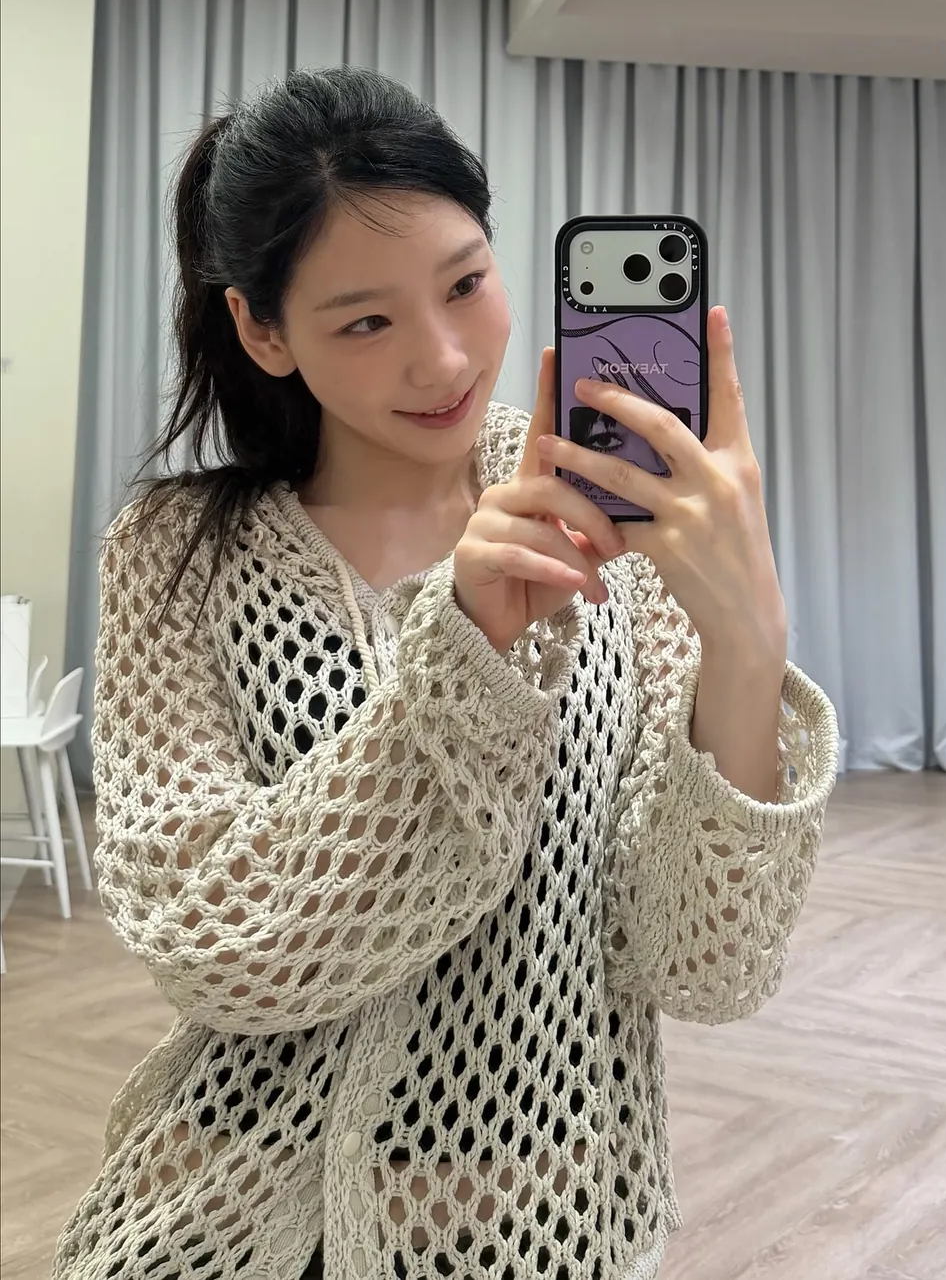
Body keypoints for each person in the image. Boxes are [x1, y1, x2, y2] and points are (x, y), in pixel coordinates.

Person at [53, 67, 838, 1280]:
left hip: (528, 1229)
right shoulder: (172, 551)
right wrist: (464, 646)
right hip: (217, 1218)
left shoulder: (608, 525)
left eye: (466, 283)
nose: (442, 357)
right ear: (262, 330)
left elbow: (700, 960)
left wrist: (747, 644)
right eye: (364, 322)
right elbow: (209, 939)